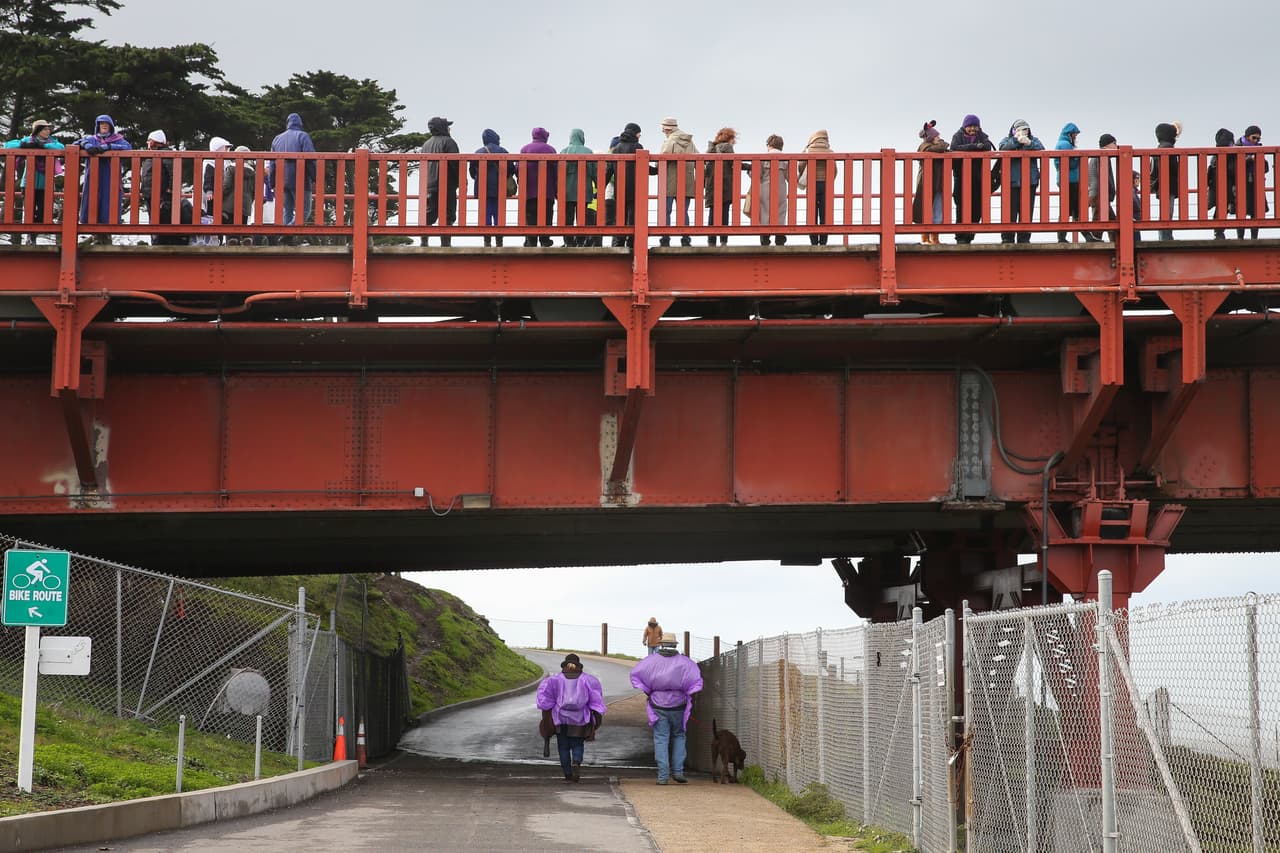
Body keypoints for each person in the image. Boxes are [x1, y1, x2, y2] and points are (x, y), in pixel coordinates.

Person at [629, 632, 703, 785]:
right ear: (675, 645)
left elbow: (636, 675)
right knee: (679, 736)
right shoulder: (686, 663)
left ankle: (663, 776)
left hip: (658, 704)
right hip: (679, 705)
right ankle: (678, 771)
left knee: (661, 738)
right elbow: (695, 682)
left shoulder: (650, 661)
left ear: (662, 644)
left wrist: (649, 691)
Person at [536, 653, 605, 782]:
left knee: (563, 747)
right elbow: (596, 699)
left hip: (560, 719)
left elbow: (544, 699)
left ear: (564, 665)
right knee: (577, 744)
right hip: (580, 719)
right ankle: (577, 762)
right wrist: (596, 715)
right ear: (579, 666)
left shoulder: (554, 679)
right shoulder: (588, 680)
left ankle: (567, 774)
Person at [4, 119, 65, 240]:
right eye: (45, 129)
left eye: (49, 129)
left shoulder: (51, 142)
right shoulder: (28, 140)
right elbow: (8, 145)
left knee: (44, 212)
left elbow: (60, 147)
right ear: (37, 130)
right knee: (29, 211)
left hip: (45, 184)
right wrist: (23, 145)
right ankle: (31, 237)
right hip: (28, 183)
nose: (48, 131)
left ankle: (33, 231)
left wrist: (42, 146)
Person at [76, 114, 131, 241]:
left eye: (106, 124)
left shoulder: (117, 139)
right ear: (98, 126)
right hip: (93, 178)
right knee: (91, 200)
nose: (104, 126)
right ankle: (95, 235)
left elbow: (127, 147)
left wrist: (109, 147)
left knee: (109, 202)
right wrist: (86, 144)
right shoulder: (92, 139)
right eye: (101, 124)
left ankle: (106, 236)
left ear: (111, 126)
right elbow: (76, 143)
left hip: (110, 177)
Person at [997, 119, 1045, 244]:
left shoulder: (1034, 141)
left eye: (1025, 129)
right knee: (1009, 211)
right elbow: (1002, 148)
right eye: (1019, 129)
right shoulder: (1007, 140)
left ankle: (1024, 238)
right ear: (1013, 131)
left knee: (1027, 211)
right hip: (1011, 182)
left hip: (1030, 182)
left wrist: (1029, 144)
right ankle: (1007, 237)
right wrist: (1015, 140)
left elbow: (1042, 149)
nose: (1023, 132)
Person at [268, 113, 317, 235]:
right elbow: (311, 159)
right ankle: (287, 233)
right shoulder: (303, 136)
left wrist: (272, 182)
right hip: (301, 181)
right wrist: (315, 177)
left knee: (287, 211)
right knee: (305, 211)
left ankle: (286, 238)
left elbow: (272, 164)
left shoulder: (277, 139)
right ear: (300, 124)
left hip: (282, 181)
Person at [949, 115, 994, 244]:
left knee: (977, 206)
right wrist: (974, 146)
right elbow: (955, 148)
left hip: (978, 178)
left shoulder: (983, 136)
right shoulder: (957, 136)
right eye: (970, 126)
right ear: (965, 126)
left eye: (975, 126)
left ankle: (970, 234)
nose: (972, 129)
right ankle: (960, 235)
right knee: (961, 205)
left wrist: (976, 146)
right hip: (961, 177)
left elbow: (987, 147)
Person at [470, 129, 514, 247]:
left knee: (486, 214)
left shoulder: (478, 152)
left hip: (483, 189)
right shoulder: (503, 151)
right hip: (500, 188)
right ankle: (499, 240)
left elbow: (472, 172)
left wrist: (479, 179)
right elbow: (511, 169)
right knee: (499, 214)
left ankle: (487, 240)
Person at [656, 117, 696, 247]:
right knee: (683, 211)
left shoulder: (670, 141)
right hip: (687, 181)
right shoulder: (689, 141)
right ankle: (686, 239)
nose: (662, 130)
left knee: (666, 211)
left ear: (667, 128)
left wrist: (654, 167)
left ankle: (665, 239)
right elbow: (699, 158)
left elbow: (661, 160)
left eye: (663, 128)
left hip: (670, 181)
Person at [421, 116, 460, 247]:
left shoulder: (426, 144)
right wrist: (460, 180)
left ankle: (424, 240)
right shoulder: (449, 142)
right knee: (448, 213)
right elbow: (455, 164)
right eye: (447, 126)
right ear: (442, 127)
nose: (449, 128)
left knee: (430, 212)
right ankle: (445, 243)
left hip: (430, 184)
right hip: (447, 184)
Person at [606, 123, 643, 248]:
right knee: (632, 217)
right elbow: (644, 166)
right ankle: (631, 242)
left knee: (620, 217)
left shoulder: (616, 149)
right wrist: (656, 170)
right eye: (639, 133)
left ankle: (618, 242)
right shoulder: (638, 146)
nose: (639, 136)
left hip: (620, 189)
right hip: (634, 189)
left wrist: (600, 187)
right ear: (634, 132)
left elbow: (609, 170)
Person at [747, 134, 788, 246]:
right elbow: (792, 177)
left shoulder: (762, 157)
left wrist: (749, 172)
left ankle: (765, 238)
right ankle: (780, 238)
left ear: (769, 145)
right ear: (781, 146)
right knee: (781, 211)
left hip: (765, 189)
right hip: (781, 190)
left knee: (765, 211)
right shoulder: (786, 159)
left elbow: (756, 175)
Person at [911, 121, 948, 244]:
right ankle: (925, 237)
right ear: (931, 138)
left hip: (937, 183)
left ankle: (934, 237)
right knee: (925, 210)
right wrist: (943, 145)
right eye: (937, 136)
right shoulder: (924, 147)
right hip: (926, 183)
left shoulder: (936, 148)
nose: (939, 138)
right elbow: (941, 147)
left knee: (937, 210)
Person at [520, 127, 557, 248]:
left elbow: (518, 168)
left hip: (529, 190)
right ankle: (545, 240)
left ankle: (531, 240)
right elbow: (556, 170)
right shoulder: (550, 149)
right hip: (548, 190)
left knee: (531, 215)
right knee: (547, 214)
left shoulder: (525, 149)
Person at [560, 128, 595, 247]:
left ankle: (568, 241)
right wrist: (599, 183)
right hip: (584, 190)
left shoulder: (564, 151)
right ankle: (581, 240)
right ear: (582, 137)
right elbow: (594, 171)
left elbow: (559, 173)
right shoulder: (589, 152)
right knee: (581, 217)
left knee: (568, 217)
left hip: (567, 190)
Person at [798, 130, 834, 245]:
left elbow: (801, 166)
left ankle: (814, 241)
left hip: (812, 185)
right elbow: (835, 170)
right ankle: (823, 241)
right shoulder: (831, 152)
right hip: (825, 185)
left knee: (812, 214)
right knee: (824, 213)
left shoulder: (808, 151)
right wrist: (829, 180)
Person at [704, 128, 737, 246]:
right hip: (725, 185)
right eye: (734, 139)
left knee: (712, 213)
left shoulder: (711, 149)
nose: (734, 142)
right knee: (724, 213)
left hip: (712, 186)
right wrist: (748, 166)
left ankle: (711, 241)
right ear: (730, 138)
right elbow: (734, 163)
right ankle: (723, 240)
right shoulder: (728, 147)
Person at [1084, 133, 1118, 242]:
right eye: (1114, 143)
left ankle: (1114, 241)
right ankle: (1094, 242)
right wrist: (1111, 191)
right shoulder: (1101, 156)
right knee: (1100, 219)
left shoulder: (1098, 156)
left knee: (1109, 219)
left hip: (1096, 193)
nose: (1116, 146)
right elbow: (1104, 177)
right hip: (1098, 193)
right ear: (1107, 145)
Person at [1149, 122, 1180, 241]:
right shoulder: (1168, 148)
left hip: (1161, 185)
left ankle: (1164, 236)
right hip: (1169, 185)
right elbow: (1173, 168)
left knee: (1164, 212)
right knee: (1168, 213)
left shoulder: (1159, 147)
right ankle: (1166, 237)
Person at [1237, 125, 1268, 239]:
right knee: (1241, 211)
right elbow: (1234, 166)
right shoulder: (1237, 147)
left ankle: (1254, 237)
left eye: (1258, 139)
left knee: (1256, 210)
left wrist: (1260, 160)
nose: (1256, 141)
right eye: (1254, 138)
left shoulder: (1259, 149)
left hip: (1255, 183)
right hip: (1241, 183)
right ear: (1247, 136)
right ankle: (1240, 238)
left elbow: (1266, 168)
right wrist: (1249, 159)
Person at [1054, 122, 1082, 243]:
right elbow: (1069, 163)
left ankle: (1062, 236)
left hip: (1066, 180)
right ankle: (1063, 236)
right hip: (1070, 180)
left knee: (1068, 208)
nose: (1076, 137)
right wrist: (1078, 157)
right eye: (1075, 134)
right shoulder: (1066, 144)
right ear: (1070, 134)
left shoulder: (1062, 143)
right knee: (1074, 209)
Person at [1206, 128, 1236, 240]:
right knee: (1222, 209)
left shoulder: (1215, 157)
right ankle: (1219, 232)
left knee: (1219, 208)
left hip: (1215, 187)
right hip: (1227, 187)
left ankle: (1218, 232)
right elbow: (1233, 171)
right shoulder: (1232, 156)